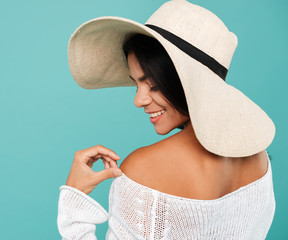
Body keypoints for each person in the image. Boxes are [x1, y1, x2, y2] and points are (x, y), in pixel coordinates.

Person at [57, 0, 276, 239]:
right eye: (136, 83)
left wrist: (75, 200)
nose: (138, 100)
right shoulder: (258, 157)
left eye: (152, 84)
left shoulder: (144, 168)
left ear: (184, 81)